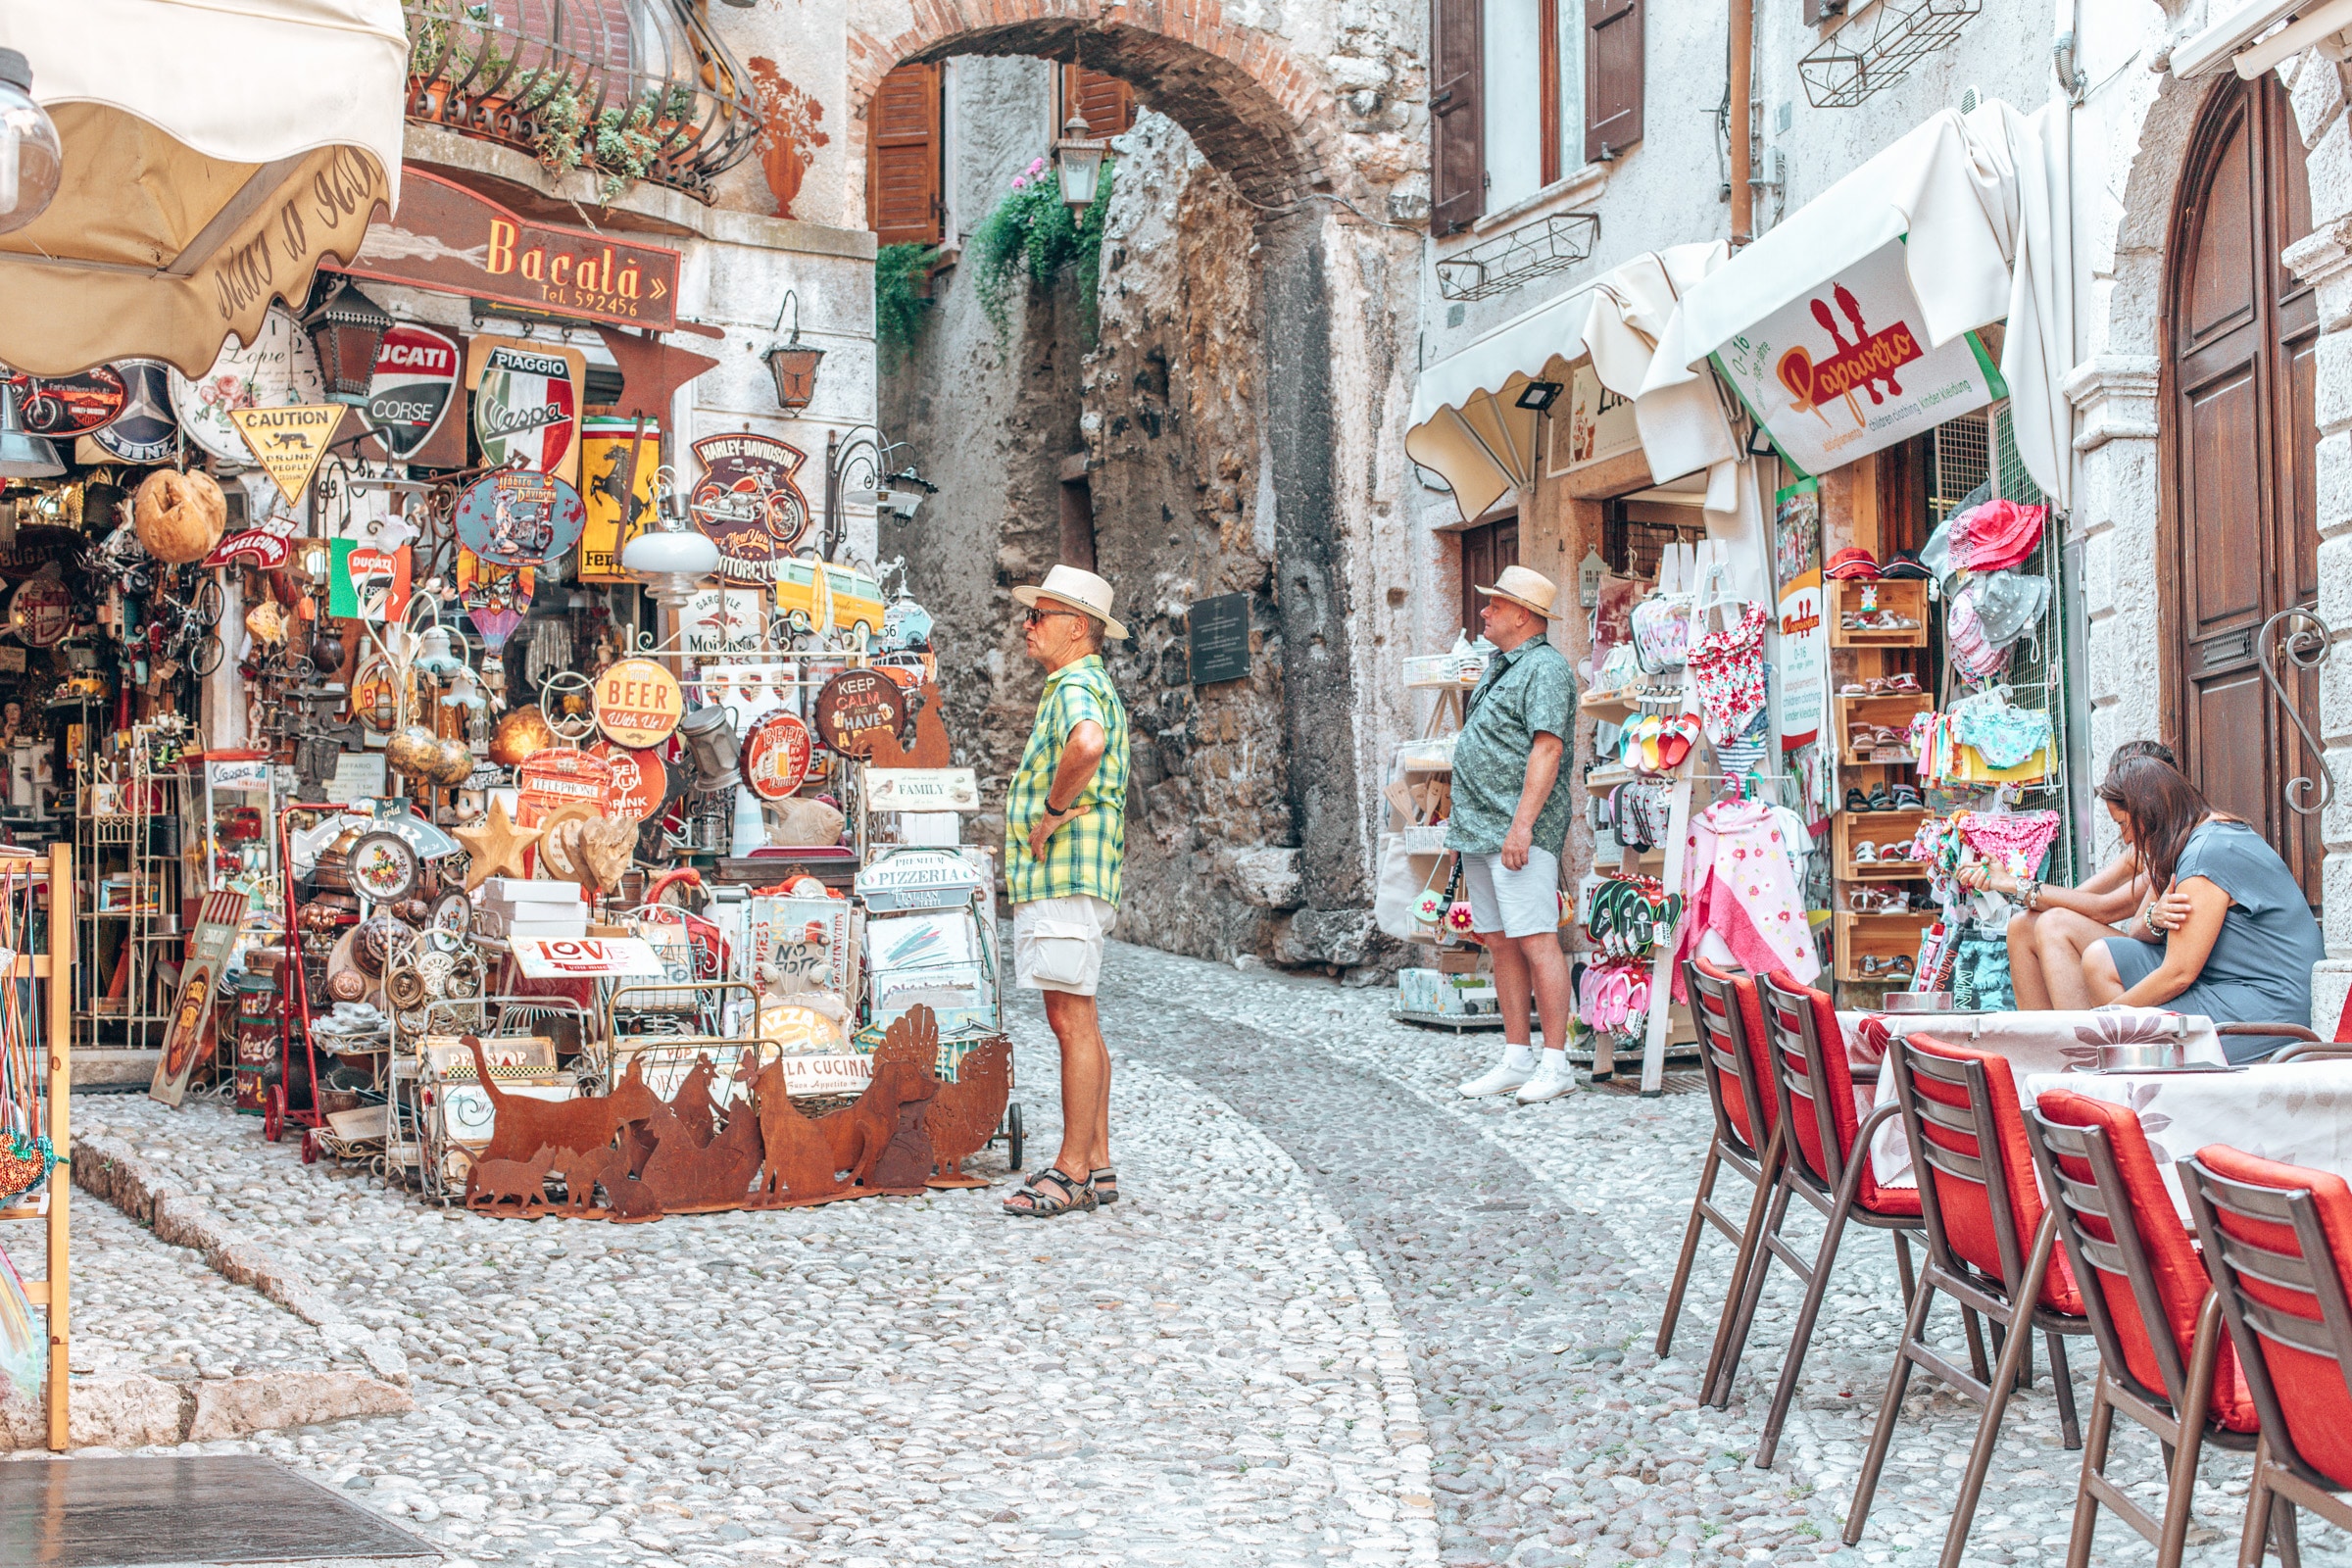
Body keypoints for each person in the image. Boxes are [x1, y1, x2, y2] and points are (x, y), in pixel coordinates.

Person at [999, 565, 1133, 1217]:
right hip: (1079, 872)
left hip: (1066, 868)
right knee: (1080, 1014)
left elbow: (1087, 742)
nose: (1027, 625)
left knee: (1070, 1019)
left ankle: (1072, 1169)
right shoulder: (1084, 680)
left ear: (1077, 628)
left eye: (1039, 615)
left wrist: (1050, 812)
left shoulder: (1076, 682)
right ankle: (1099, 1160)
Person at [2078, 757, 2324, 1059]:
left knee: (2125, 1032)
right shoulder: (2207, 834)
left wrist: (2106, 1022)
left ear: (2148, 814)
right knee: (2100, 957)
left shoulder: (2205, 854)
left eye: (2124, 825)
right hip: (2228, 982)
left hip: (2271, 1004)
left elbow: (2178, 973)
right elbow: (2144, 935)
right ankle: (2131, 1059)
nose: (2127, 838)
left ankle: (2136, 1068)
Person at [1449, 564, 1581, 1103]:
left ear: (1522, 615)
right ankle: (1516, 1057)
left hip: (1515, 830)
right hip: (1481, 828)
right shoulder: (1501, 665)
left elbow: (1547, 749)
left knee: (1536, 939)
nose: (1484, 611)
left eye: (1495, 605)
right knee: (1500, 941)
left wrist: (1522, 827)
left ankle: (1556, 1063)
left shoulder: (1545, 668)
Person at [1967, 740, 2179, 1009]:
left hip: (2161, 969)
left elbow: (2102, 910)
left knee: (2055, 924)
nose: (2125, 838)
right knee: (2023, 925)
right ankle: (2039, 1043)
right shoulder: (2140, 847)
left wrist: (2014, 884)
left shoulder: (2169, 847)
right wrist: (2009, 886)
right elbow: (2077, 900)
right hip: (2141, 955)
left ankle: (2076, 1044)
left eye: (2123, 824)